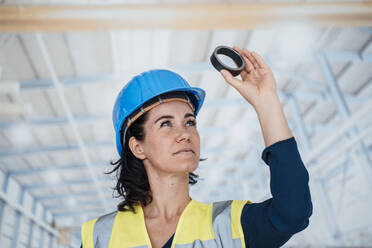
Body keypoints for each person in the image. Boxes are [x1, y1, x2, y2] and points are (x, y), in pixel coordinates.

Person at [80, 47, 312, 248]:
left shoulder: (227, 226)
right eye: (166, 123)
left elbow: (293, 212)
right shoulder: (99, 237)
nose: (184, 134)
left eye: (190, 122)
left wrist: (266, 101)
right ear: (137, 147)